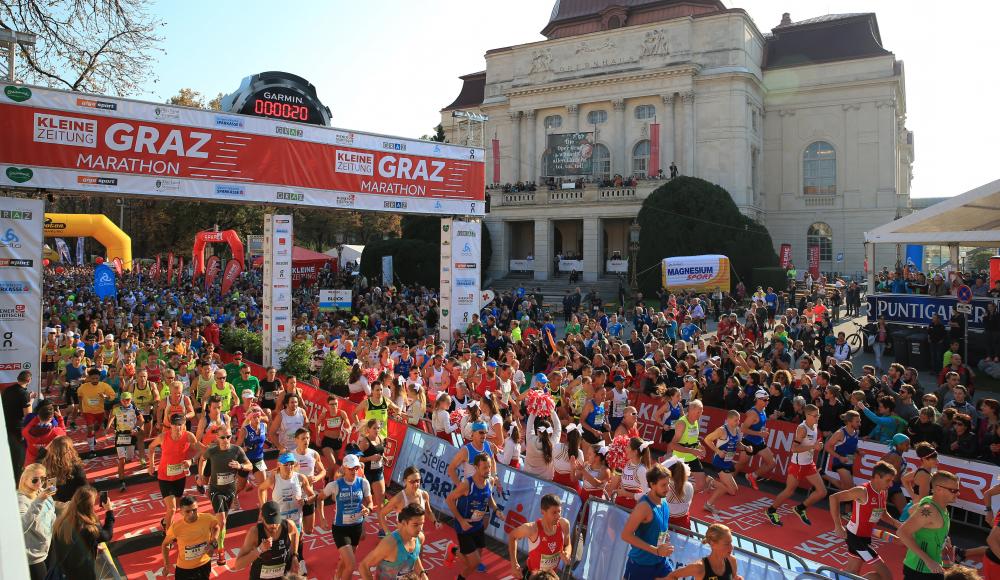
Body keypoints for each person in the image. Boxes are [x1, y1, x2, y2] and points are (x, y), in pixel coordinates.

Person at [829, 461, 901, 580]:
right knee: (887, 576)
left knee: (852, 572)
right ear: (877, 477)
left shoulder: (883, 492)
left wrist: (897, 524)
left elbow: (883, 513)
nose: (891, 484)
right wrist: (838, 526)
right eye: (888, 480)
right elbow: (834, 498)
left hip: (865, 538)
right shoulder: (862, 491)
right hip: (855, 538)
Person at [766, 404, 826, 526]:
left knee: (822, 491)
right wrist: (813, 446)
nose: (818, 417)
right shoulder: (802, 429)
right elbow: (794, 448)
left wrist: (817, 446)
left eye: (818, 415)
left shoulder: (814, 425)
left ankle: (800, 508)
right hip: (798, 465)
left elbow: (812, 444)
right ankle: (771, 511)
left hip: (809, 464)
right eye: (815, 416)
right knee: (789, 491)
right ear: (807, 415)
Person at [258, 452, 316, 576]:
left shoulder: (300, 478)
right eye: (286, 464)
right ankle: (280, 567)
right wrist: (263, 507)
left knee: (298, 539)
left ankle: (300, 561)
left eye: (291, 464)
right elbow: (261, 489)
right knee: (282, 543)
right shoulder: (274, 478)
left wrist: (305, 500)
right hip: (280, 519)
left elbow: (312, 495)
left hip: (296, 516)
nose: (289, 467)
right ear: (279, 465)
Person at [316, 453, 372, 580]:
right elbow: (319, 499)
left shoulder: (363, 483)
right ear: (344, 468)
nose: (354, 471)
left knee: (346, 560)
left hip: (356, 527)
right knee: (351, 565)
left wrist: (368, 509)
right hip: (341, 529)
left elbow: (370, 502)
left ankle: (337, 576)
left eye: (356, 468)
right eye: (351, 468)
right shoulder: (335, 485)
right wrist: (322, 518)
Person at [447, 453, 502, 580]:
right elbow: (449, 500)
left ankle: (453, 550)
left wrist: (496, 509)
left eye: (489, 467)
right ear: (476, 467)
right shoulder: (467, 484)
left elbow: (489, 497)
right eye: (484, 468)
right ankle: (460, 576)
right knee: (473, 563)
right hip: (465, 527)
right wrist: (461, 521)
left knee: (475, 561)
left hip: (478, 525)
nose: (488, 470)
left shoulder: (489, 481)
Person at [202, 424, 252, 562]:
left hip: (230, 491)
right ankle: (220, 549)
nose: (226, 440)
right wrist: (201, 477)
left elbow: (250, 466)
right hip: (216, 491)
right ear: (217, 437)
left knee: (222, 522)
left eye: (228, 437)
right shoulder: (212, 451)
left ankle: (213, 537)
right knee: (222, 520)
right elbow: (202, 458)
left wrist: (240, 466)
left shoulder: (237, 450)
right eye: (223, 437)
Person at [147, 413, 206, 531]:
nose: (177, 427)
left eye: (179, 424)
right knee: (172, 509)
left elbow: (202, 450)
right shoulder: (163, 436)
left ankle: (165, 521)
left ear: (184, 424)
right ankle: (168, 535)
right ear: (171, 425)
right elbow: (151, 447)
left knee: (177, 506)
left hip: (179, 476)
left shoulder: (188, 436)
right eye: (174, 424)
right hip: (164, 477)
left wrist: (191, 460)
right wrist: (151, 464)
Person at [899, 471, 961, 579]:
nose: (958, 494)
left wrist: (942, 537)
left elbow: (911, 510)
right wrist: (928, 561)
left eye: (957, 490)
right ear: (938, 489)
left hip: (932, 567)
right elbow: (902, 532)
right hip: (920, 569)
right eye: (953, 491)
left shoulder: (932, 502)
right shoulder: (929, 511)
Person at [621, 463, 674, 580]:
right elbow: (626, 535)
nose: (668, 488)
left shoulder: (664, 502)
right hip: (641, 565)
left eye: (668, 484)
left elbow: (659, 528)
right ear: (652, 485)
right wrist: (656, 550)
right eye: (664, 485)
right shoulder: (644, 507)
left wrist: (664, 536)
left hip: (660, 562)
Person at [49, 485, 115, 580]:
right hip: (83, 574)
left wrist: (92, 544)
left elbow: (75, 543)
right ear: (89, 506)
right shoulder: (89, 529)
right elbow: (107, 535)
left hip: (62, 571)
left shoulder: (61, 521)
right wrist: (109, 511)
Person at [228, 500, 300, 580]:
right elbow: (238, 565)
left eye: (276, 522)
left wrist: (294, 555)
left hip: (283, 576)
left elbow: (295, 533)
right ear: (262, 517)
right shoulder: (255, 533)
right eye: (270, 522)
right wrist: (259, 550)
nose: (273, 525)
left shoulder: (289, 525)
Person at [508, 494, 572, 578]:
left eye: (559, 511)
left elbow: (568, 544)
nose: (558, 516)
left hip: (551, 576)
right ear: (543, 511)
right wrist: (514, 563)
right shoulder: (531, 529)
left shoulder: (564, 524)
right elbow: (512, 536)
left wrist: (567, 553)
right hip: (533, 576)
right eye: (554, 512)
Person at [359, 503, 429, 580]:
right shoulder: (390, 543)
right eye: (415, 525)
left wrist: (422, 573)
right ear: (404, 523)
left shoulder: (420, 538)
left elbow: (414, 557)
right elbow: (364, 566)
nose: (419, 529)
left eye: (421, 524)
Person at [161, 495, 221, 580]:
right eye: (187, 511)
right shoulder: (176, 527)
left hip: (204, 565)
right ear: (181, 512)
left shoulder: (208, 518)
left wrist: (213, 543)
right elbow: (165, 544)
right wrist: (166, 564)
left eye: (194, 510)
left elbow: (216, 527)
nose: (192, 514)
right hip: (184, 569)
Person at [703, 410, 751, 513]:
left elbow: (738, 444)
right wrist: (718, 451)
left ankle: (712, 482)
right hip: (719, 461)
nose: (738, 422)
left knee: (733, 490)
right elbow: (707, 439)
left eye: (739, 420)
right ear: (728, 420)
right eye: (735, 420)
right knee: (730, 489)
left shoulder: (737, 430)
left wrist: (746, 448)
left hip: (728, 462)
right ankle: (709, 502)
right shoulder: (722, 430)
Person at [18, 463, 57, 580]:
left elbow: (51, 513)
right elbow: (21, 526)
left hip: (47, 547)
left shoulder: (41, 491)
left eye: (43, 478)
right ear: (24, 480)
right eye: (35, 480)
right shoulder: (21, 500)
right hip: (33, 556)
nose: (40, 483)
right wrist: (39, 501)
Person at [665, 523, 741, 580]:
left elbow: (734, 577)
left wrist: (738, 578)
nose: (731, 547)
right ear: (713, 544)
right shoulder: (699, 567)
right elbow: (672, 576)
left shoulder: (732, 561)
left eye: (731, 542)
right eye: (726, 544)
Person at [379, 465, 439, 535]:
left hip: (418, 537)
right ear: (405, 481)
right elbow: (382, 514)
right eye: (412, 481)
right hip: (402, 539)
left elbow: (428, 512)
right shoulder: (399, 498)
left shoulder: (424, 495)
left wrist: (435, 522)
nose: (415, 484)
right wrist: (388, 533)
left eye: (417, 481)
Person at [669, 400, 712, 492]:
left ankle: (685, 498)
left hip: (692, 457)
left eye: (701, 411)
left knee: (701, 485)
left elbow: (692, 439)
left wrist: (700, 446)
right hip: (680, 459)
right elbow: (672, 445)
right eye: (698, 411)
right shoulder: (682, 423)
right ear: (691, 410)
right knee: (675, 488)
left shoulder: (695, 421)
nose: (700, 414)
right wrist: (692, 451)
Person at [737, 390, 776, 490]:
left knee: (772, 463)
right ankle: (726, 481)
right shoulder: (753, 414)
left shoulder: (763, 410)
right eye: (765, 400)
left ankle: (752, 476)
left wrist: (768, 421)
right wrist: (759, 433)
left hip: (759, 442)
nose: (767, 401)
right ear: (758, 400)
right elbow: (743, 429)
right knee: (740, 465)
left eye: (768, 399)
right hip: (749, 443)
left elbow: (759, 423)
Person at [106, 391, 144, 492]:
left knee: (129, 458)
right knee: (121, 460)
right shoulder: (116, 409)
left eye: (128, 399)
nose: (126, 401)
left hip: (131, 435)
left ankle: (127, 461)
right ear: (121, 400)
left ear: (131, 400)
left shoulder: (134, 408)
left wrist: (136, 429)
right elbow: (111, 417)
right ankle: (122, 482)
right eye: (124, 400)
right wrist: (108, 426)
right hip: (120, 435)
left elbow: (142, 420)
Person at [77, 367, 116, 456]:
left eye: (97, 378)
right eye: (93, 378)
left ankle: (92, 436)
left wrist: (106, 397)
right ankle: (92, 449)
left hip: (100, 411)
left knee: (97, 427)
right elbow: (79, 396)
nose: (95, 380)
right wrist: (80, 408)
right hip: (88, 411)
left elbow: (113, 395)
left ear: (99, 377)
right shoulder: (83, 387)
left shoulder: (104, 385)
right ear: (89, 378)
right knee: (90, 428)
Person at [3, 370, 33, 481]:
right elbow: (28, 415)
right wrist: (31, 400)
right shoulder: (24, 394)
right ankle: (17, 479)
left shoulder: (7, 390)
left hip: (6, 425)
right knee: (18, 456)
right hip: (18, 428)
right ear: (29, 380)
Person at [42, 435, 88, 504]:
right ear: (69, 450)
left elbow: (51, 491)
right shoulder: (75, 468)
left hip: (55, 505)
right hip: (72, 506)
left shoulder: (48, 466)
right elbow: (85, 489)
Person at [823, 410, 862, 492]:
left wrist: (858, 451)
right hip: (839, 462)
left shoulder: (856, 432)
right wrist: (839, 457)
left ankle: (823, 475)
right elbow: (827, 447)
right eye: (857, 422)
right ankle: (826, 477)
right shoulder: (840, 433)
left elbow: (853, 445)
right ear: (849, 422)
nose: (859, 424)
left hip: (849, 461)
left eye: (859, 421)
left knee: (846, 488)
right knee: (850, 488)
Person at [319, 394, 353, 473]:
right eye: (332, 404)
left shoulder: (341, 413)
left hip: (337, 441)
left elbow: (348, 424)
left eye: (336, 404)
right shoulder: (325, 414)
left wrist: (348, 428)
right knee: (333, 463)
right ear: (328, 405)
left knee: (333, 467)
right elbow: (317, 424)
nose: (334, 406)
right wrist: (317, 437)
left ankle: (328, 479)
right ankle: (325, 475)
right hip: (327, 441)